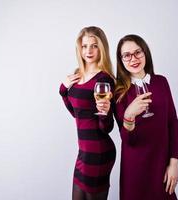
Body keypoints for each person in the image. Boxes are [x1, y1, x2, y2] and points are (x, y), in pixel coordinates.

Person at [114, 34, 178, 200]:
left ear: (146, 53)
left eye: (138, 52)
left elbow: (172, 122)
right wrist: (129, 115)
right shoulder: (119, 91)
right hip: (135, 166)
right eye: (127, 55)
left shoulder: (161, 82)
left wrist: (173, 163)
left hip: (161, 163)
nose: (133, 59)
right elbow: (128, 140)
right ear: (121, 60)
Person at [59, 26, 116, 200]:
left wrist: (105, 113)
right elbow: (77, 114)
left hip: (98, 151)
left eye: (94, 46)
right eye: (84, 46)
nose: (88, 51)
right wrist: (63, 89)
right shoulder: (77, 75)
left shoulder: (104, 79)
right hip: (83, 151)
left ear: (102, 48)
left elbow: (107, 128)